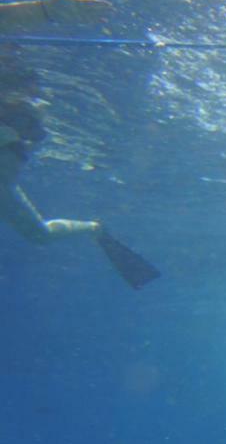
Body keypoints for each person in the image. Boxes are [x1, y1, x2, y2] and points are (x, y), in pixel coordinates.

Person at [1, 56, 159, 287]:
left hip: (5, 188)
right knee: (40, 235)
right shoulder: (25, 115)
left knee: (40, 235)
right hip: (6, 186)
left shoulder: (31, 116)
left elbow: (28, 142)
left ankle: (94, 228)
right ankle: (94, 228)